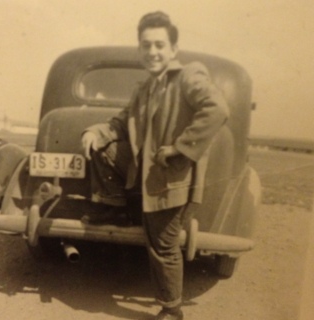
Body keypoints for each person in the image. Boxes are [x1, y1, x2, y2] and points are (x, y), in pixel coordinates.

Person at [81, 11, 229, 320]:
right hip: (146, 173)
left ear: (173, 49)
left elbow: (217, 109)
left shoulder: (188, 75)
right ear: (140, 49)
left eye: (159, 45)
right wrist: (96, 132)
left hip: (171, 178)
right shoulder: (144, 88)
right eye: (146, 45)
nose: (152, 52)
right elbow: (121, 122)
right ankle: (113, 208)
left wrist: (179, 147)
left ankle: (172, 309)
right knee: (102, 148)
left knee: (163, 245)